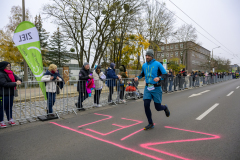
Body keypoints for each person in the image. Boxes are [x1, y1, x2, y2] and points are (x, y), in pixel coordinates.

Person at [134, 49, 170, 130]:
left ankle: (165, 107)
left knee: (157, 108)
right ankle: (150, 123)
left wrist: (159, 77)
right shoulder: (144, 65)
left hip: (156, 88)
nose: (147, 57)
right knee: (146, 104)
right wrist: (137, 77)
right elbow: (142, 74)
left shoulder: (157, 64)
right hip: (147, 88)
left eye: (148, 55)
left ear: (152, 56)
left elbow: (165, 74)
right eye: (146, 55)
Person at [0, 61, 22, 128]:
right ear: (3, 66)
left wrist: (18, 80)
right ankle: (1, 121)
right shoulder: (1, 74)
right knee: (1, 108)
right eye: (8, 66)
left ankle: (10, 119)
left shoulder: (11, 73)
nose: (9, 67)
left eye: (10, 66)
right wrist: (15, 83)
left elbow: (17, 78)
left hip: (10, 93)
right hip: (2, 94)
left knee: (9, 107)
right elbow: (4, 83)